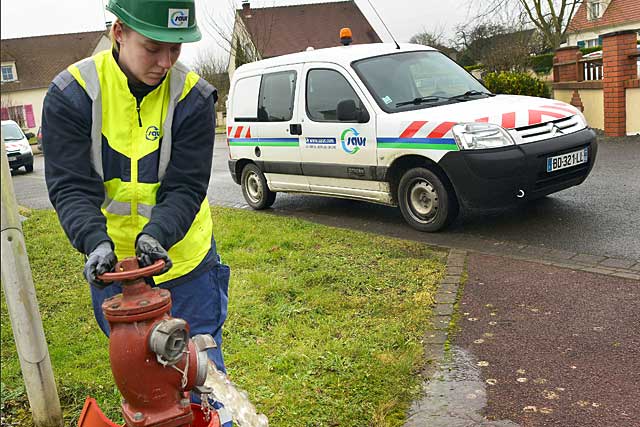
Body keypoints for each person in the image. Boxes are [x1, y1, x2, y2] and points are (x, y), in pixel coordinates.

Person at [42, 0, 231, 424]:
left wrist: (158, 233)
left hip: (186, 266)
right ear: (119, 33)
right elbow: (70, 187)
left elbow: (185, 186)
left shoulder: (193, 97)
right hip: (116, 273)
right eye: (153, 47)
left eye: (176, 48)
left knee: (201, 378)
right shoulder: (73, 95)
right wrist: (94, 242)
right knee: (145, 385)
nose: (165, 62)